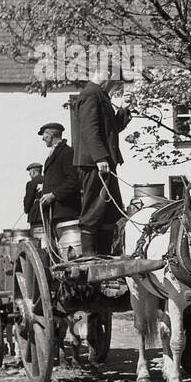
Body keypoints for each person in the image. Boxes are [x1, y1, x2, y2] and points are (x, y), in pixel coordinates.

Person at [73, 72, 131, 255]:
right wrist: (99, 157)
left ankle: (104, 258)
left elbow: (112, 128)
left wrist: (123, 109)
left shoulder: (99, 95)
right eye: (114, 82)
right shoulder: (90, 94)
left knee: (109, 212)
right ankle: (90, 259)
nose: (114, 86)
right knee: (94, 209)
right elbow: (90, 129)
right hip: (95, 164)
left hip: (103, 163)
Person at [32, 121, 82, 229]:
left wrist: (54, 195)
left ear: (50, 135)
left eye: (44, 135)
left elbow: (74, 181)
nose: (43, 138)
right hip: (54, 213)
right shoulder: (53, 154)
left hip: (65, 212)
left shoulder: (67, 152)